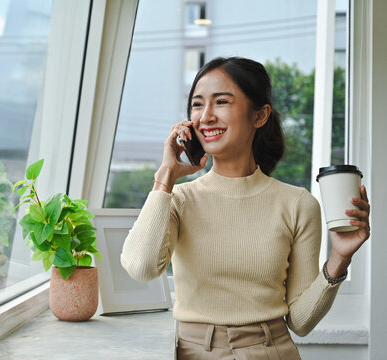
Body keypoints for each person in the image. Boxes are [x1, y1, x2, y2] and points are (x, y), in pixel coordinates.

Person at [120, 57, 370, 360]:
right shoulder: (178, 199)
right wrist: (165, 177)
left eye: (221, 102)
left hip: (272, 350)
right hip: (194, 352)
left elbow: (300, 322)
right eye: (197, 105)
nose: (206, 116)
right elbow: (141, 267)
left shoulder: (298, 204)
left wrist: (340, 257)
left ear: (260, 115)